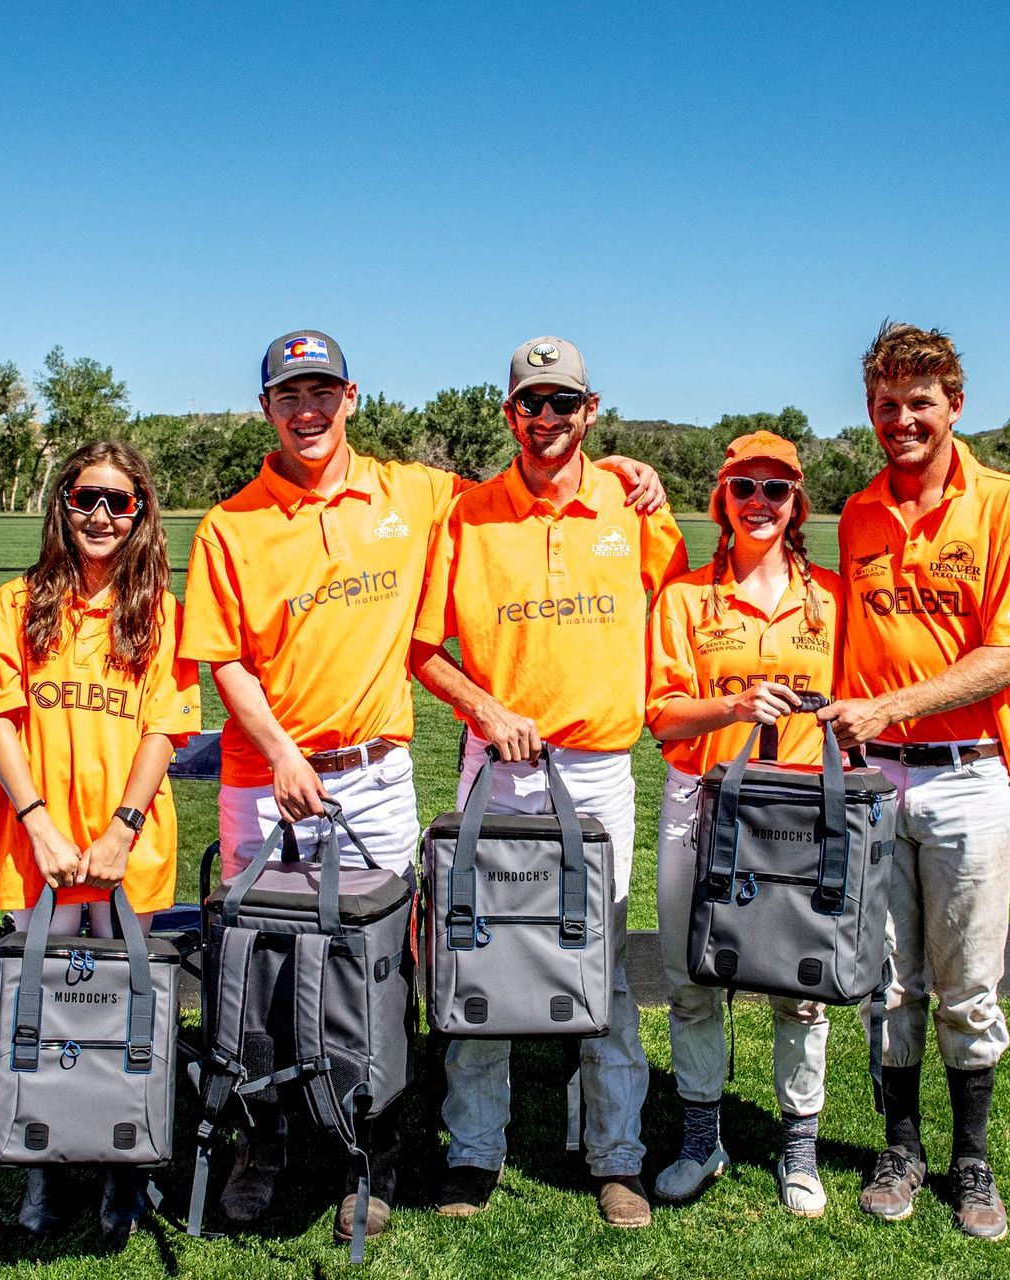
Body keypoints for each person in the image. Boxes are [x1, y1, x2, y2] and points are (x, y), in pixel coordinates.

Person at [178, 330, 665, 1246]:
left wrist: (631, 471)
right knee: (260, 963)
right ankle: (265, 1143)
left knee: (398, 963)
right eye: (290, 396)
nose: (308, 410)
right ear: (267, 409)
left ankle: (384, 1145)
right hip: (268, 777)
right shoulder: (232, 523)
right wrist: (282, 749)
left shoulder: (418, 493)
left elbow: (553, 480)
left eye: (323, 392)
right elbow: (224, 662)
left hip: (382, 776)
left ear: (352, 397)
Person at [411, 335, 688, 1230]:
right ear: (509, 415)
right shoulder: (469, 513)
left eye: (563, 404)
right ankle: (473, 1151)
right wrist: (486, 709)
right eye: (530, 404)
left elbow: (685, 604)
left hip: (598, 768)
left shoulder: (632, 504)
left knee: (598, 962)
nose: (546, 420)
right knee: (477, 948)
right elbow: (421, 650)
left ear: (591, 410)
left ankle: (617, 1157)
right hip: (496, 764)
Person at [816, 322, 1010, 1241]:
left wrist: (893, 707)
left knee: (968, 986)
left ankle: (973, 1161)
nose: (902, 420)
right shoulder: (862, 513)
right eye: (886, 405)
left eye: (920, 402)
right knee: (890, 982)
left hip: (967, 777)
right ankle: (899, 1148)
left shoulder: (1005, 504)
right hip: (878, 781)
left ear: (955, 403)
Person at [0, 439, 200, 1239]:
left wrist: (123, 829)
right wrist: (40, 827)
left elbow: (167, 727)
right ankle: (40, 1163)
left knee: (124, 1013)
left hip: (124, 848)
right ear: (62, 504)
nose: (101, 515)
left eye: (119, 502)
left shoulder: (160, 612)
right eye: (86, 497)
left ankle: (123, 1167)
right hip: (41, 850)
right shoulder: (16, 601)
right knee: (43, 1010)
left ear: (141, 514)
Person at [643, 431, 844, 1216]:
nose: (760, 503)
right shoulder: (687, 599)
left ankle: (799, 1150)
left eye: (777, 490)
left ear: (797, 504)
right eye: (744, 488)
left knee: (800, 990)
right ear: (721, 498)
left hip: (794, 811)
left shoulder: (830, 597)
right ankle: (703, 1139)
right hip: (700, 800)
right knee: (692, 980)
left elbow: (853, 708)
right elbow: (661, 717)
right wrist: (731, 705)